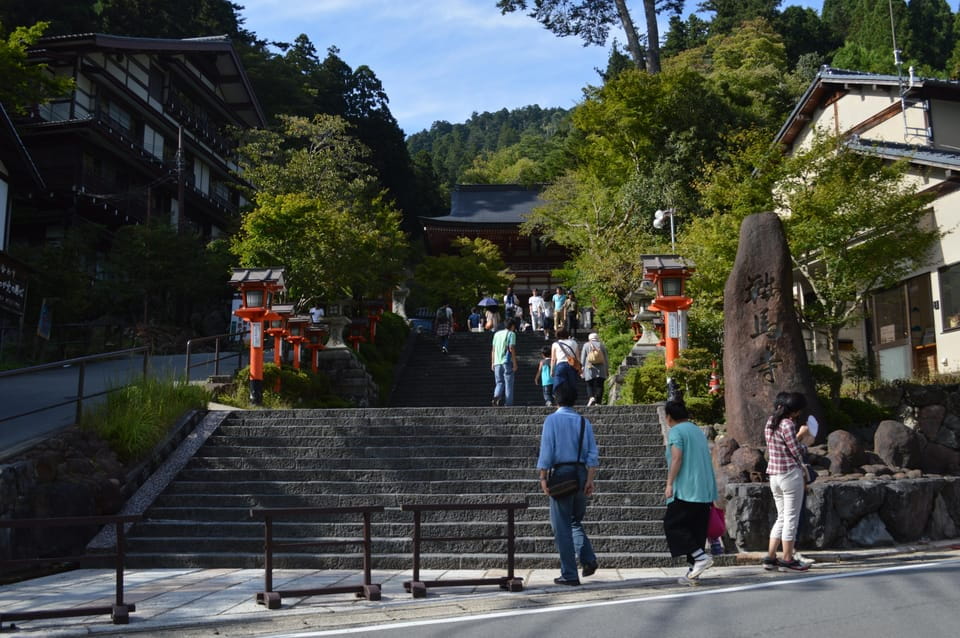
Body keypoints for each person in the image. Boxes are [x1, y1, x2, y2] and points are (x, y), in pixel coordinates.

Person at [536, 380, 599, 585]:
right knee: (574, 521)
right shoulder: (584, 422)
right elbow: (592, 454)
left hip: (562, 474)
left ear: (556, 399)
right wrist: (590, 480)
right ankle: (588, 559)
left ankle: (570, 574)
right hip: (581, 473)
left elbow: (546, 451)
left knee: (561, 526)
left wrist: (543, 477)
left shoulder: (551, 421)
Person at [662, 400, 718, 585]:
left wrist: (669, 483)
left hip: (686, 488)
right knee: (696, 530)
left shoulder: (676, 431)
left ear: (669, 417)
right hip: (704, 488)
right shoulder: (696, 430)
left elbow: (677, 458)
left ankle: (700, 558)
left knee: (673, 524)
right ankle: (693, 572)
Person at [763, 391, 811, 573]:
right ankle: (788, 559)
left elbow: (780, 446)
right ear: (796, 411)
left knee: (781, 517)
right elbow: (795, 450)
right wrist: (804, 437)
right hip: (790, 475)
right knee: (791, 518)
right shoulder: (788, 424)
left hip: (774, 475)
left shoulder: (770, 422)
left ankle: (771, 557)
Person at [490, 318, 518, 406]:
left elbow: (493, 350)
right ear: (512, 326)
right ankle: (508, 404)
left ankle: (496, 396)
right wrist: (515, 363)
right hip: (506, 361)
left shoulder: (496, 334)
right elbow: (511, 348)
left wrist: (492, 362)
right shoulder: (511, 334)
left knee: (499, 382)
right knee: (508, 383)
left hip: (497, 362)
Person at [580, 332, 608, 407]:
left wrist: (581, 368)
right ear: (597, 338)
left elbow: (583, 358)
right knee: (600, 385)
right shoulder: (601, 345)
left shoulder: (586, 345)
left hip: (589, 367)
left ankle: (591, 397)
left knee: (589, 384)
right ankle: (598, 402)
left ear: (589, 338)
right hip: (601, 368)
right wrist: (606, 369)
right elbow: (605, 358)